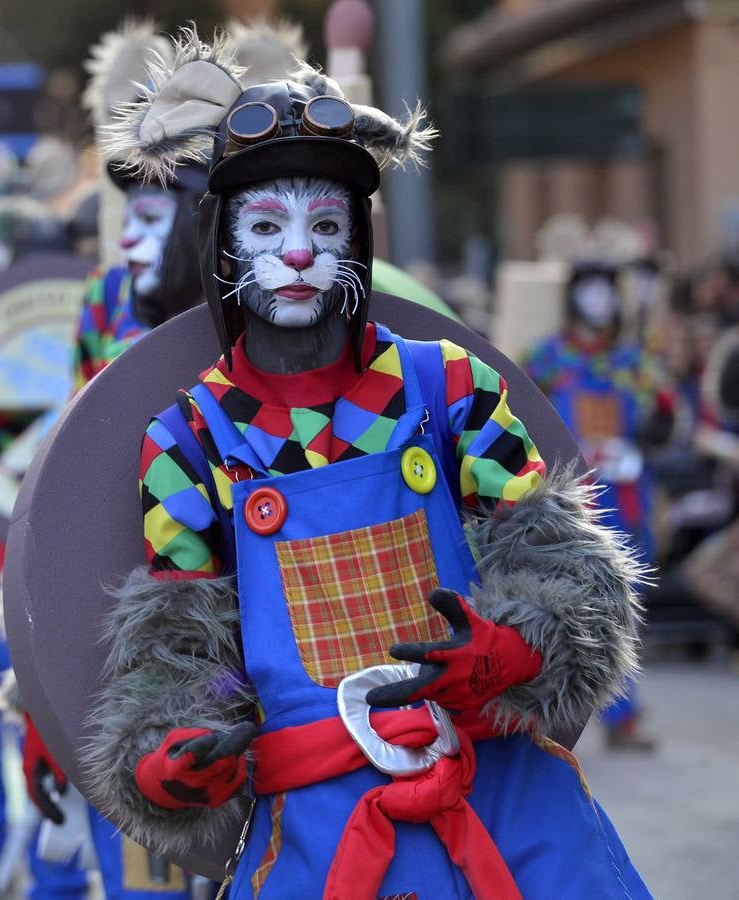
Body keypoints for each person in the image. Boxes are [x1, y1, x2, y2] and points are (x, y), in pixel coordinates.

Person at [81, 36, 650, 898]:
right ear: (225, 245)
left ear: (359, 240)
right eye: (268, 226)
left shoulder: (451, 385)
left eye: (325, 224)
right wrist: (167, 755)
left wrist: (512, 649)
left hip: (507, 803)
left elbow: (568, 571)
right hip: (322, 833)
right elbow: (179, 647)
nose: (300, 253)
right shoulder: (187, 440)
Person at [526, 263, 672, 750]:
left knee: (623, 604)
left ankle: (621, 712)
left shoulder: (633, 360)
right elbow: (517, 410)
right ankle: (549, 711)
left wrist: (646, 439)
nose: (598, 299)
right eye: (588, 288)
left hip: (626, 493)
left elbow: (668, 414)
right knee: (561, 603)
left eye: (606, 288)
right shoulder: (548, 358)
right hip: (570, 495)